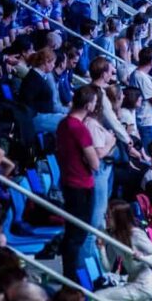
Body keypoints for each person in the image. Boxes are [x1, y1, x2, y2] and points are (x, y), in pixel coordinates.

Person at [56, 86, 101, 278]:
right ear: (89, 104)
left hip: (68, 182)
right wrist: (109, 144)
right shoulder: (79, 128)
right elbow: (95, 163)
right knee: (78, 235)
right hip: (81, 186)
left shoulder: (63, 124)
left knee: (73, 234)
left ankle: (70, 274)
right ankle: (71, 277)